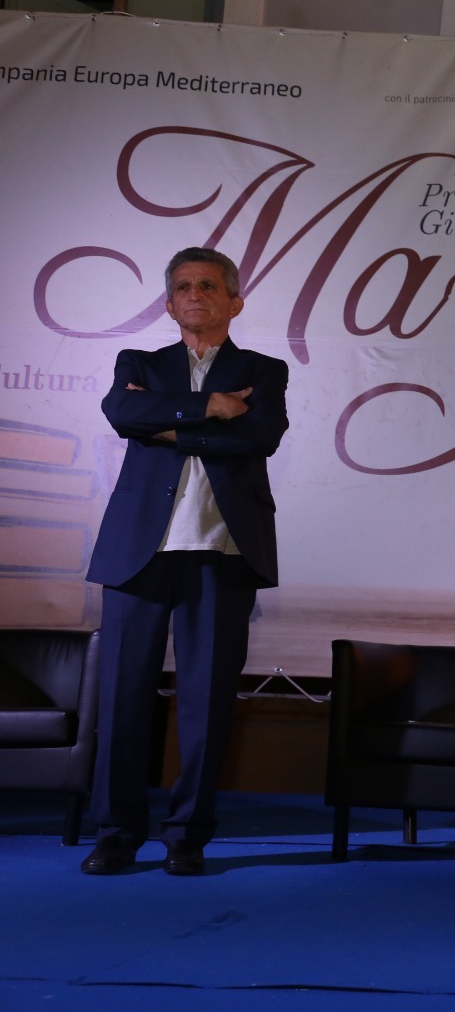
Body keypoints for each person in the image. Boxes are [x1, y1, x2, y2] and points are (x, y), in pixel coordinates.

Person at [80, 246, 289, 877]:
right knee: (122, 697)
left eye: (207, 285)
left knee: (207, 700)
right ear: (169, 305)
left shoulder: (264, 369)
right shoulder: (139, 363)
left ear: (234, 302)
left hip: (223, 551)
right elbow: (121, 412)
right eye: (182, 287)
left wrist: (168, 425)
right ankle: (116, 831)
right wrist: (211, 408)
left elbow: (260, 436)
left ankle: (187, 835)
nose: (194, 294)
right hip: (138, 551)